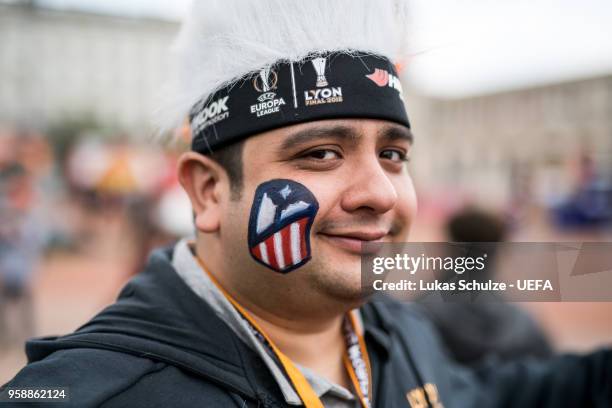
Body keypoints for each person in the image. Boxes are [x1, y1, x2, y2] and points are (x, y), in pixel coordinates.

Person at [2, 1, 611, 407]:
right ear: (208, 191)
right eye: (321, 154)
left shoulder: (397, 329)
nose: (379, 192)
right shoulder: (85, 393)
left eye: (394, 155)